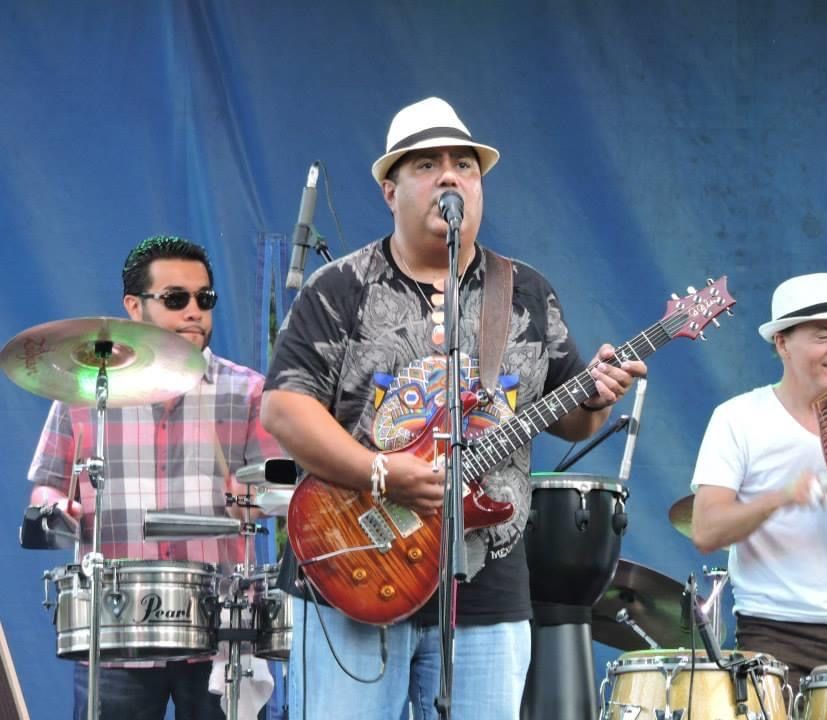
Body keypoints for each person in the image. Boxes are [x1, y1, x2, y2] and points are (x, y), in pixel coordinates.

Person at [260, 96, 646, 719]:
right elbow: (283, 408)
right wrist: (380, 472)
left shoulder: (525, 292)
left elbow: (573, 416)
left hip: (486, 589)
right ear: (390, 191)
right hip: (352, 570)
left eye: (464, 165)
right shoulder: (341, 288)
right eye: (427, 165)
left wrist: (599, 396)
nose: (450, 177)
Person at [27, 235, 284, 719]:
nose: (194, 312)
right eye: (176, 299)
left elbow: (282, 485)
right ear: (134, 306)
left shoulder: (248, 391)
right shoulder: (87, 390)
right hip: (115, 624)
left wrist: (252, 496)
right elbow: (48, 484)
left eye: (204, 298)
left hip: (221, 628)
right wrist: (58, 508)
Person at [689, 272, 827, 692]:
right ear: (782, 343)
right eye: (822, 335)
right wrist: (782, 497)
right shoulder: (738, 418)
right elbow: (705, 531)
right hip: (773, 635)